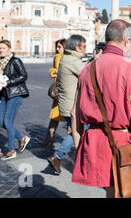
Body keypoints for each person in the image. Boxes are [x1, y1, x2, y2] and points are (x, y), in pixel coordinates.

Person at [71, 19, 131, 197]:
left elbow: (74, 113)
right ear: (127, 41)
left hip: (95, 143)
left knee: (112, 192)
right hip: (123, 145)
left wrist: (78, 148)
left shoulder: (87, 69)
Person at [47, 35, 86, 174]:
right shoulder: (72, 61)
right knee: (80, 131)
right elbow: (88, 73)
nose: (85, 49)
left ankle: (59, 157)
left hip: (67, 104)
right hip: (73, 106)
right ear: (77, 47)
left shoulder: (66, 58)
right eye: (84, 46)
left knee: (76, 132)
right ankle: (59, 157)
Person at [0, 40, 30, 160]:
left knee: (7, 121)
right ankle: (22, 138)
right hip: (5, 95)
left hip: (16, 94)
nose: (1, 50)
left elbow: (24, 76)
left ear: (9, 49)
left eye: (4, 48)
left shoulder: (15, 61)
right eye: (0, 48)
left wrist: (8, 83)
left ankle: (11, 150)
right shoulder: (0, 63)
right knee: (1, 122)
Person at [40, 39, 66, 147]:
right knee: (54, 117)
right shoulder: (57, 57)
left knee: (68, 118)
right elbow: (53, 70)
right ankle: (49, 138)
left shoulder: (66, 57)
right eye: (57, 46)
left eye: (60, 47)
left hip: (65, 90)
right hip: (59, 90)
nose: (57, 49)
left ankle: (67, 141)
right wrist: (54, 71)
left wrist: (56, 71)